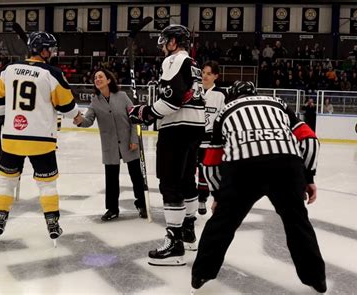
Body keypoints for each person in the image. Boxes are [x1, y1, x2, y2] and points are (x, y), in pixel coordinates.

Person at [191, 81, 327, 294]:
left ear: (231, 97)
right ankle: (316, 278)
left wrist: (218, 195)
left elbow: (210, 162)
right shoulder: (278, 103)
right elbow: (310, 140)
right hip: (285, 165)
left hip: (243, 168)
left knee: (222, 224)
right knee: (297, 223)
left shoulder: (224, 112)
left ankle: (201, 274)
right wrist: (307, 177)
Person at [0, 32, 81, 241]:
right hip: (41, 140)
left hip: (13, 138)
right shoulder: (52, 73)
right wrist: (77, 116)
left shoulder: (7, 71)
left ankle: (0, 218)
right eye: (50, 48)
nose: (53, 52)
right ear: (42, 50)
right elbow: (67, 106)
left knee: (6, 181)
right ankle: (52, 222)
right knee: (47, 184)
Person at [129, 24, 204, 265]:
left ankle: (175, 243)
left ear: (174, 42)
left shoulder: (173, 61)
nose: (162, 46)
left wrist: (144, 112)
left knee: (170, 183)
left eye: (165, 41)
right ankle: (189, 232)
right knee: (186, 181)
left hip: (177, 128)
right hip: (194, 128)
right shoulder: (193, 64)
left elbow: (171, 101)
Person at [74, 68, 147, 221]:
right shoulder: (95, 100)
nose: (97, 79)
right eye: (95, 78)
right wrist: (80, 121)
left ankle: (142, 204)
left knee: (136, 175)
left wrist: (134, 139)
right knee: (111, 178)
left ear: (108, 80)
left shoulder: (122, 96)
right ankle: (112, 209)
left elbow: (134, 119)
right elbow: (88, 120)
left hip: (128, 142)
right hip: (110, 145)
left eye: (100, 77)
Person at [197, 60, 226, 215]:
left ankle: (202, 198)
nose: (205, 76)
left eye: (209, 74)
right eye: (203, 73)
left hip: (210, 141)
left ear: (216, 76)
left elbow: (224, 118)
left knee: (205, 171)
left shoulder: (221, 95)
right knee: (188, 170)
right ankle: (190, 198)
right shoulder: (195, 91)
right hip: (194, 138)